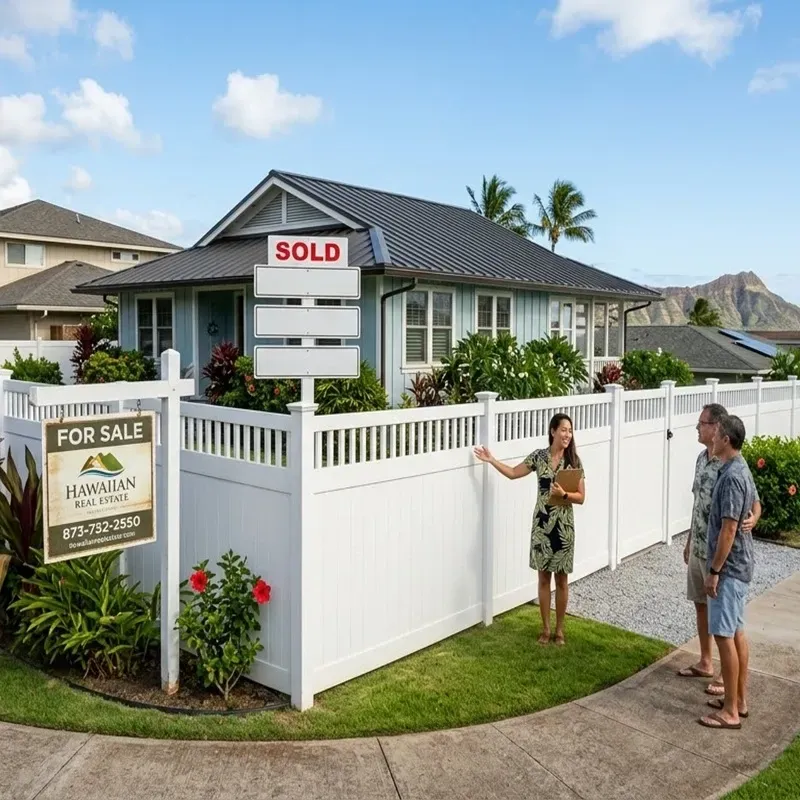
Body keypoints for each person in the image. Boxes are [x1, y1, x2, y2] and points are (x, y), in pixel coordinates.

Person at [474, 413, 585, 646]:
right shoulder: (539, 457)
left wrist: (563, 494)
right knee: (543, 578)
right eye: (563, 430)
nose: (567, 435)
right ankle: (545, 629)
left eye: (570, 431)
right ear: (553, 431)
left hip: (563, 528)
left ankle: (560, 630)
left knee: (562, 580)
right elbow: (514, 473)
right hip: (542, 526)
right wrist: (492, 460)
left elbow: (581, 497)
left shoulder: (574, 461)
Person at [678, 404, 760, 696]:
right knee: (701, 605)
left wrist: (754, 518)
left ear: (717, 429)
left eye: (702, 423)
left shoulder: (731, 468)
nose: (698, 428)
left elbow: (750, 505)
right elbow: (699, 504)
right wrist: (690, 540)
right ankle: (705, 662)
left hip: (720, 558)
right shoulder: (702, 460)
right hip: (700, 546)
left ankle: (729, 684)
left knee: (729, 627)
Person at [698, 414, 757, 730]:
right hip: (738, 568)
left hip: (729, 569)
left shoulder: (733, 477)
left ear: (726, 440)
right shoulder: (737, 467)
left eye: (717, 432)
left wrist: (714, 570)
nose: (712, 435)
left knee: (723, 635)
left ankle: (731, 711)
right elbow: (755, 504)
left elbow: (729, 529)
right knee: (735, 632)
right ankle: (739, 702)